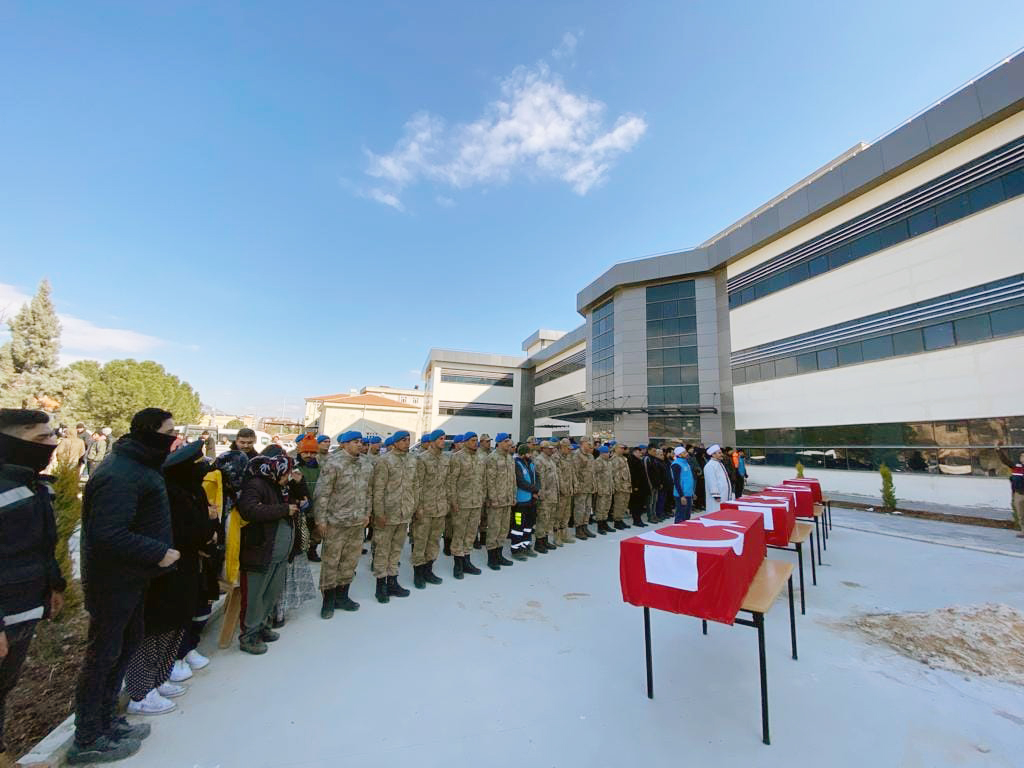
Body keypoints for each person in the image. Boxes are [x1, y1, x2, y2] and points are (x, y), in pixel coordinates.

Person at [70, 408, 179, 765]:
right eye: (168, 431)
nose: (173, 436)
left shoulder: (139, 465)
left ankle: (108, 722)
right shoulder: (120, 473)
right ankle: (88, 737)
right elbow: (107, 533)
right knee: (103, 658)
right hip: (112, 582)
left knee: (121, 650)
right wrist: (158, 551)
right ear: (149, 432)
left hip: (132, 578)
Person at [124, 440, 216, 715]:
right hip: (168, 571)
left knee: (175, 623)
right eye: (197, 465)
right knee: (155, 629)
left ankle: (156, 680)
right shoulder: (169, 495)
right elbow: (186, 531)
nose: (203, 470)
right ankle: (141, 693)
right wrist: (206, 531)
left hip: (185, 567)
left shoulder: (189, 491)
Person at [0, 409, 66, 766]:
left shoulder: (36, 485)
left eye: (52, 435)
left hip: (25, 608)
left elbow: (43, 544)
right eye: (41, 439)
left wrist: (54, 585)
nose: (52, 444)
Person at [235, 454, 299, 655]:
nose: (289, 477)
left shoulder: (278, 486)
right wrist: (283, 509)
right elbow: (249, 510)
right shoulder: (256, 485)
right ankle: (249, 636)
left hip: (279, 556)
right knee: (254, 596)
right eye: (287, 472)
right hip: (260, 553)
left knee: (270, 595)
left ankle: (262, 626)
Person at [314, 431, 373, 618]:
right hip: (336, 522)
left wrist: (367, 513)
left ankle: (343, 596)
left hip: (357, 523)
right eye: (355, 442)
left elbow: (368, 492)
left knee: (350, 560)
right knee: (331, 561)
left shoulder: (366, 464)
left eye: (360, 442)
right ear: (344, 444)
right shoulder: (333, 463)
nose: (359, 444)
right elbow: (322, 494)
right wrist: (320, 520)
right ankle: (328, 601)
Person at [370, 431, 415, 603]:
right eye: (403, 440)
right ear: (395, 443)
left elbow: (415, 485)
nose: (406, 442)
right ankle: (380, 586)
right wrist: (379, 513)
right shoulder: (384, 460)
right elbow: (378, 489)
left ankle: (393, 582)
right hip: (388, 513)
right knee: (382, 550)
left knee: (396, 549)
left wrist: (412, 505)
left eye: (408, 440)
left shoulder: (412, 460)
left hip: (404, 513)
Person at [412, 430, 448, 589]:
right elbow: (416, 485)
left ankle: (429, 570)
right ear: (432, 441)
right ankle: (418, 574)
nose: (443, 441)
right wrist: (417, 507)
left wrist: (447, 503)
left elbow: (448, 483)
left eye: (444, 439)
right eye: (440, 439)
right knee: (421, 541)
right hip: (425, 508)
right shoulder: (422, 459)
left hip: (440, 507)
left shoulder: (446, 459)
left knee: (434, 541)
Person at [446, 431, 485, 579]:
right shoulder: (457, 458)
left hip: (476, 502)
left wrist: (482, 498)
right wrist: (453, 502)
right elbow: (452, 482)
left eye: (476, 440)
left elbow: (483, 480)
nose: (476, 443)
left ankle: (467, 561)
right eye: (473, 440)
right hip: (462, 503)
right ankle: (458, 564)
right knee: (459, 534)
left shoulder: (481, 458)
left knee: (471, 533)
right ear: (466, 441)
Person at [484, 433, 516, 569]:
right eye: (506, 441)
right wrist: (492, 498)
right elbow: (489, 481)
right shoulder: (492, 458)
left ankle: (499, 555)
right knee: (494, 529)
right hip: (496, 501)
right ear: (499, 443)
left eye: (509, 441)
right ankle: (492, 559)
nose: (509, 443)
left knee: (503, 529)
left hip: (507, 500)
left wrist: (513, 496)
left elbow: (513, 479)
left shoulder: (510, 458)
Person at [295, 435, 324, 562]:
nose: (309, 455)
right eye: (305, 452)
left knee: (316, 533)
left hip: (317, 505)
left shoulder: (320, 467)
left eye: (312, 452)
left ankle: (312, 551)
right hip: (300, 506)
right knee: (300, 532)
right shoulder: (295, 467)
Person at [510, 444, 539, 561]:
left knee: (528, 525)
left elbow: (536, 478)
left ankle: (526, 545)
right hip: (521, 502)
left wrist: (536, 490)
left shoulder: (530, 463)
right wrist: (535, 490)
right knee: (518, 525)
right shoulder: (516, 464)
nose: (530, 455)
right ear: (522, 454)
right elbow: (520, 481)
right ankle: (516, 549)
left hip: (531, 501)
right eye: (528, 453)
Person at [533, 439, 560, 550]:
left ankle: (545, 540)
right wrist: (541, 494)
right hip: (545, 496)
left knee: (549, 519)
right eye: (549, 448)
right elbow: (540, 480)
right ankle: (539, 543)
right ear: (543, 449)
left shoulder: (550, 460)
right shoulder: (539, 461)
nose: (551, 450)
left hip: (553, 495)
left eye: (552, 448)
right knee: (542, 519)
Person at [995, 441, 1024, 537]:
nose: (1022, 458)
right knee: (1021, 514)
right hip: (1018, 494)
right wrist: (998, 449)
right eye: (1022, 456)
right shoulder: (1016, 467)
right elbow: (1005, 460)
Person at [553, 438, 577, 545]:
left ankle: (564, 534)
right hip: (561, 492)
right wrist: (563, 488)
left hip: (569, 490)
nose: (570, 450)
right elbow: (557, 475)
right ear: (562, 447)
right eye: (568, 448)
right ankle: (556, 536)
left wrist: (575, 484)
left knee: (566, 514)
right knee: (558, 514)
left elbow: (572, 472)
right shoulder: (556, 458)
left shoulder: (569, 457)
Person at [571, 438, 596, 540]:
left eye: (590, 443)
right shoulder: (577, 454)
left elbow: (592, 472)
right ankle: (578, 529)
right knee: (579, 509)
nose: (590, 445)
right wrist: (576, 486)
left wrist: (594, 484)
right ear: (582, 443)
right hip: (581, 487)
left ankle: (585, 526)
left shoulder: (590, 456)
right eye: (588, 443)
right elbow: (575, 472)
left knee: (587, 508)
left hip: (589, 487)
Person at [703, 444, 735, 514]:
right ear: (713, 455)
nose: (722, 454)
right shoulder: (710, 466)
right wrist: (716, 495)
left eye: (721, 453)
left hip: (723, 494)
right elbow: (712, 481)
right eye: (719, 453)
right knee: (716, 512)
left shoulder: (719, 463)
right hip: (717, 497)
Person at [592, 445, 614, 534]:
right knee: (600, 508)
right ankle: (600, 526)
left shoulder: (609, 462)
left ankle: (605, 524)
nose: (609, 454)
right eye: (607, 452)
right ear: (602, 453)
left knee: (606, 508)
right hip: (601, 489)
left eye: (609, 452)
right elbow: (594, 476)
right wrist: (598, 488)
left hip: (608, 488)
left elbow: (610, 476)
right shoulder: (598, 462)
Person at [671, 446, 696, 522]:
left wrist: (692, 493)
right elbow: (676, 481)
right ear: (679, 454)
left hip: (688, 493)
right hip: (681, 495)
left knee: (687, 516)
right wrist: (681, 496)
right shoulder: (676, 464)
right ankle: (677, 531)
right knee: (680, 515)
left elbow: (688, 479)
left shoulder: (686, 463)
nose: (687, 453)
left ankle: (685, 532)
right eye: (684, 452)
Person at [610, 443, 632, 530]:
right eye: (621, 448)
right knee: (618, 504)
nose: (623, 449)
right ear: (615, 449)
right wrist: (616, 486)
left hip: (626, 485)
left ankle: (621, 519)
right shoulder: (614, 459)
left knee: (624, 504)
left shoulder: (623, 458)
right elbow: (614, 474)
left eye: (623, 448)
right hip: (619, 486)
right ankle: (617, 521)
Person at [627, 446, 650, 528]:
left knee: (640, 504)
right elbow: (633, 475)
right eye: (638, 452)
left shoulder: (638, 460)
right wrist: (635, 486)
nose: (640, 453)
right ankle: (636, 520)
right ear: (634, 452)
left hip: (641, 486)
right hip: (637, 487)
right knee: (636, 504)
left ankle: (638, 519)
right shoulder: (632, 461)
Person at [644, 444, 664, 523]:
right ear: (648, 450)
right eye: (653, 451)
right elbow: (647, 473)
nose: (655, 452)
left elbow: (657, 473)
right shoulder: (647, 459)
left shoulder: (654, 459)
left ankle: (654, 515)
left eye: (655, 451)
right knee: (650, 502)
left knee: (655, 501)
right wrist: (650, 485)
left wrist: (659, 483)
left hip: (656, 484)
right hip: (650, 485)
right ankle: (650, 516)